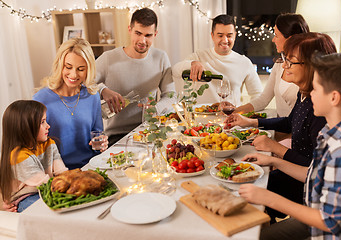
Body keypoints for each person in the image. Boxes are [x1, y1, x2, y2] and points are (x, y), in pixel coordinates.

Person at [238, 52, 341, 239]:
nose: (310, 93)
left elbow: (329, 222)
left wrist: (267, 197)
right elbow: (311, 174)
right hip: (316, 219)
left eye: (316, 88)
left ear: (334, 98)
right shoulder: (333, 130)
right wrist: (273, 161)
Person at [225, 32, 337, 223]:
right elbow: (288, 122)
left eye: (291, 61)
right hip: (299, 173)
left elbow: (313, 168)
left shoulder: (320, 108)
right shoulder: (304, 94)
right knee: (246, 179)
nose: (284, 66)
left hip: (309, 191)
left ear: (312, 65)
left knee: (244, 189)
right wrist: (252, 122)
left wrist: (275, 149)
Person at [95, 7, 176, 146]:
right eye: (138, 33)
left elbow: (171, 95)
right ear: (129, 30)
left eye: (148, 35)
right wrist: (102, 90)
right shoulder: (108, 58)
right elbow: (84, 84)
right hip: (117, 135)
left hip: (149, 131)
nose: (142, 40)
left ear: (155, 34)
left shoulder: (161, 57)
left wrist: (156, 107)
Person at [33, 38, 107, 170]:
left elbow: (97, 135)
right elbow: (35, 147)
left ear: (88, 69)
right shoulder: (41, 99)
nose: (73, 74)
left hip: (90, 167)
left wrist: (101, 143)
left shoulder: (92, 96)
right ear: (60, 65)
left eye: (80, 69)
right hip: (57, 173)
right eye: (68, 67)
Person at [172, 14, 262, 106]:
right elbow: (175, 71)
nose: (225, 40)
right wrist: (192, 63)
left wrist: (244, 113)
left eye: (229, 35)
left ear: (235, 35)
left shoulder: (244, 62)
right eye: (220, 36)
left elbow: (258, 95)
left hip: (231, 117)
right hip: (202, 117)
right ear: (212, 35)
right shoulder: (199, 56)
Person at [0, 100, 68, 212]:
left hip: (46, 190)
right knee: (51, 209)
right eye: (42, 122)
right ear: (25, 127)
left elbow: (62, 172)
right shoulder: (19, 156)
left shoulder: (49, 144)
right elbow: (46, 184)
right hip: (25, 198)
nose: (48, 126)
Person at [236, 13, 308, 117]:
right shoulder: (279, 65)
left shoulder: (308, 69)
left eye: (276, 35)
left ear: (290, 39)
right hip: (280, 127)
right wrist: (236, 111)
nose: (273, 39)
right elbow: (263, 99)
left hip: (294, 131)